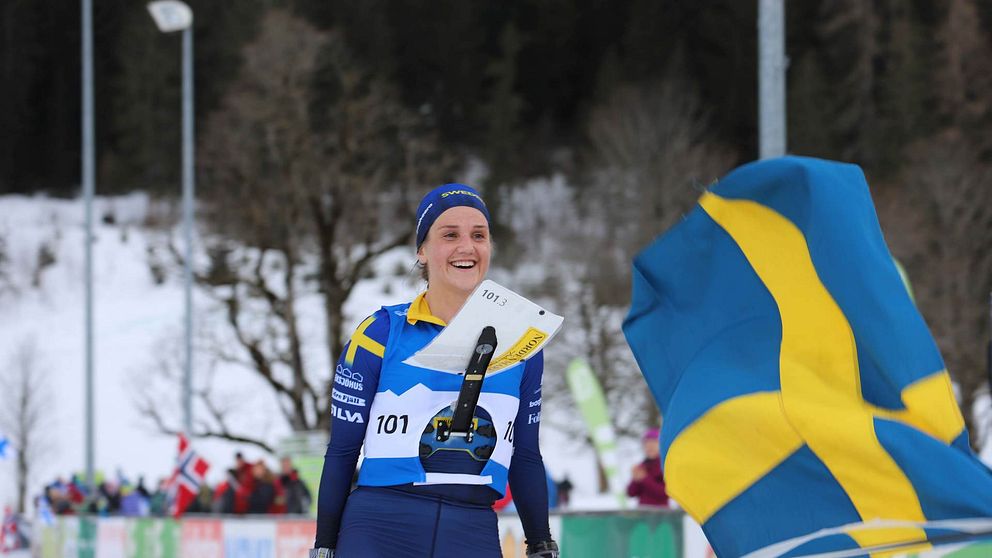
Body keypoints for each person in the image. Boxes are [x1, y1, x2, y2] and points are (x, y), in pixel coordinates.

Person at [312, 184, 559, 558]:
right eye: (449, 235)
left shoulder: (522, 342)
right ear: (422, 251)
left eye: (479, 235)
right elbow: (343, 451)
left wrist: (540, 542)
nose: (466, 247)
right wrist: (324, 547)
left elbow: (525, 455)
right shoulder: (380, 333)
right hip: (380, 529)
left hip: (471, 530)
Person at [626, 426, 669, 507]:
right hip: (643, 514)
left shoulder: (665, 465)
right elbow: (631, 493)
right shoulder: (642, 466)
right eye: (647, 444)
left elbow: (665, 493)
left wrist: (644, 479)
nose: (650, 447)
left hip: (662, 514)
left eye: (653, 443)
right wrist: (635, 479)